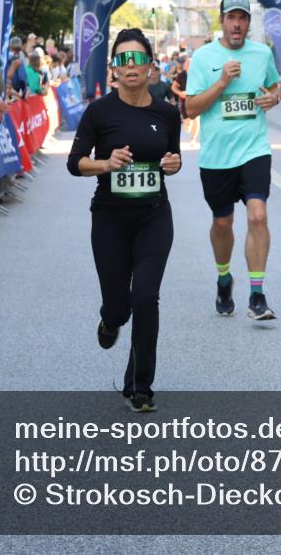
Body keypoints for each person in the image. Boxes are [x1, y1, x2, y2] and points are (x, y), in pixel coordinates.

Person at [66, 28, 182, 412]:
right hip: (110, 219)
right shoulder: (99, 111)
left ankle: (141, 386)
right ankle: (110, 319)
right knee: (120, 306)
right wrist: (106, 163)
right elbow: (74, 163)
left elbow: (173, 159)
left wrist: (173, 163)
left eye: (137, 59)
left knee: (146, 297)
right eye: (122, 60)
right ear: (113, 68)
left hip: (153, 216)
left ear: (151, 66)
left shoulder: (166, 112)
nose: (130, 67)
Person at [185, 0, 281, 320]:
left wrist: (272, 98)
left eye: (242, 18)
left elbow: (273, 88)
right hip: (216, 157)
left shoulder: (262, 53)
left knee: (257, 216)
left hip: (254, 150)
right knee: (222, 222)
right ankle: (224, 277)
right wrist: (223, 81)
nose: (237, 24)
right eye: (231, 17)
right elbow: (191, 107)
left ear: (248, 23)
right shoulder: (203, 57)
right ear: (222, 21)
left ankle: (257, 294)